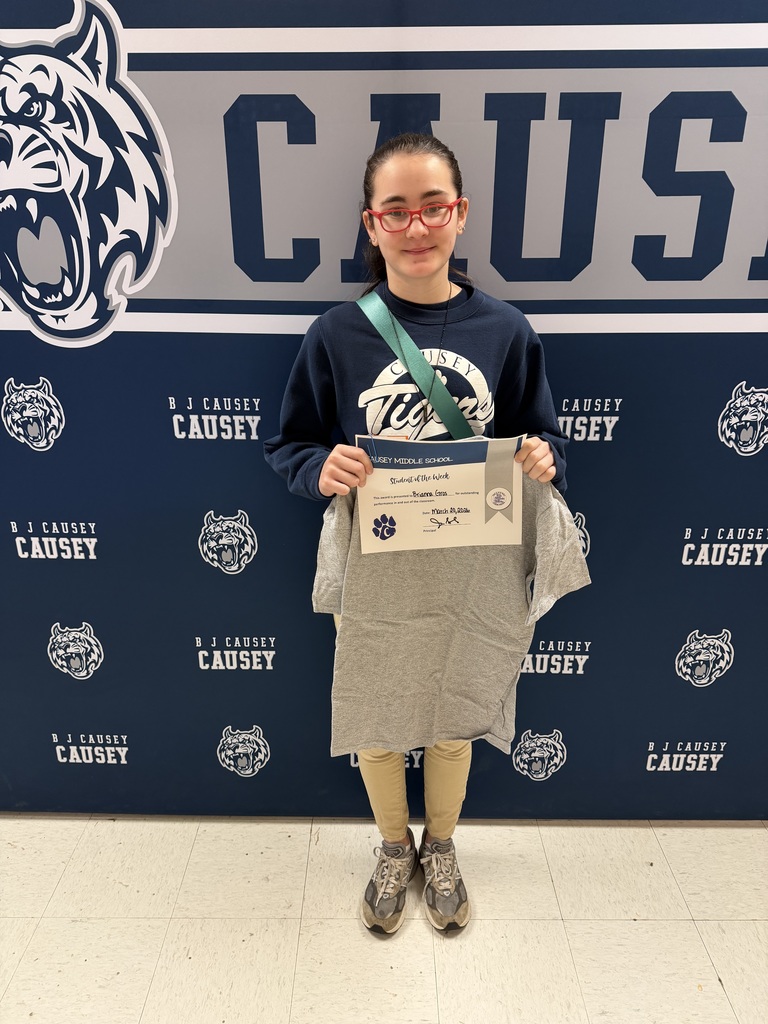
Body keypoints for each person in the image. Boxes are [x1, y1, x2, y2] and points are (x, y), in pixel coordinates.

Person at [265, 132, 582, 935]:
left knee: (452, 714)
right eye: (395, 210)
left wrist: (545, 456)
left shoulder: (506, 331)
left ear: (460, 214)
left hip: (472, 563)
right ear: (371, 224)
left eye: (433, 207)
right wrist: (320, 470)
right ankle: (393, 847)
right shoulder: (336, 335)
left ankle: (441, 845)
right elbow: (289, 445)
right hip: (377, 562)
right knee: (378, 715)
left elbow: (537, 438)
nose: (416, 226)